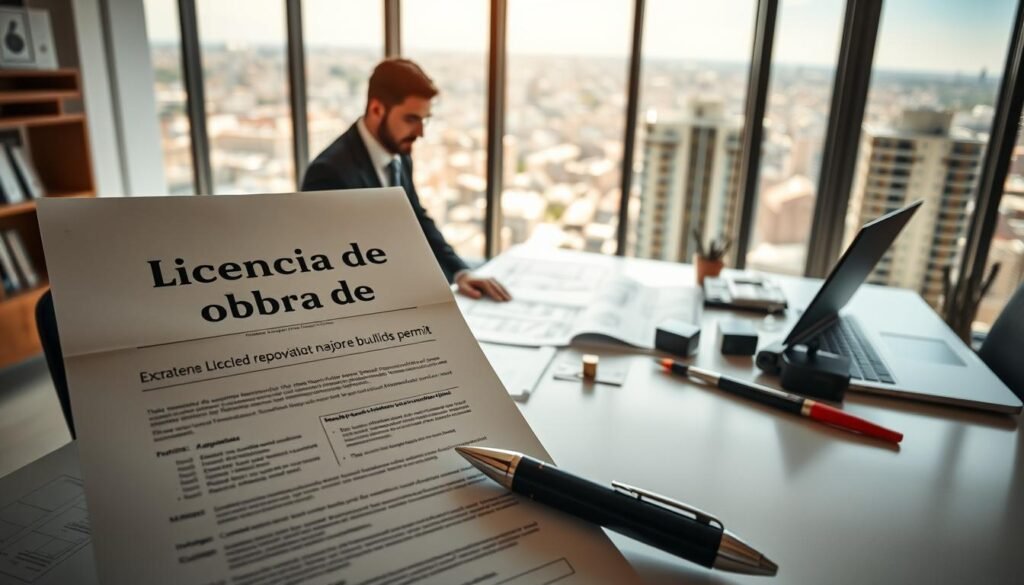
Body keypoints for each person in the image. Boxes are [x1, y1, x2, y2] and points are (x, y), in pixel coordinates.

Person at [302, 58, 511, 302]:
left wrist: (460, 272)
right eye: (411, 119)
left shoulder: (398, 152)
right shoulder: (328, 172)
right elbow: (325, 263)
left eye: (425, 120)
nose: (420, 133)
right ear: (377, 109)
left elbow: (414, 216)